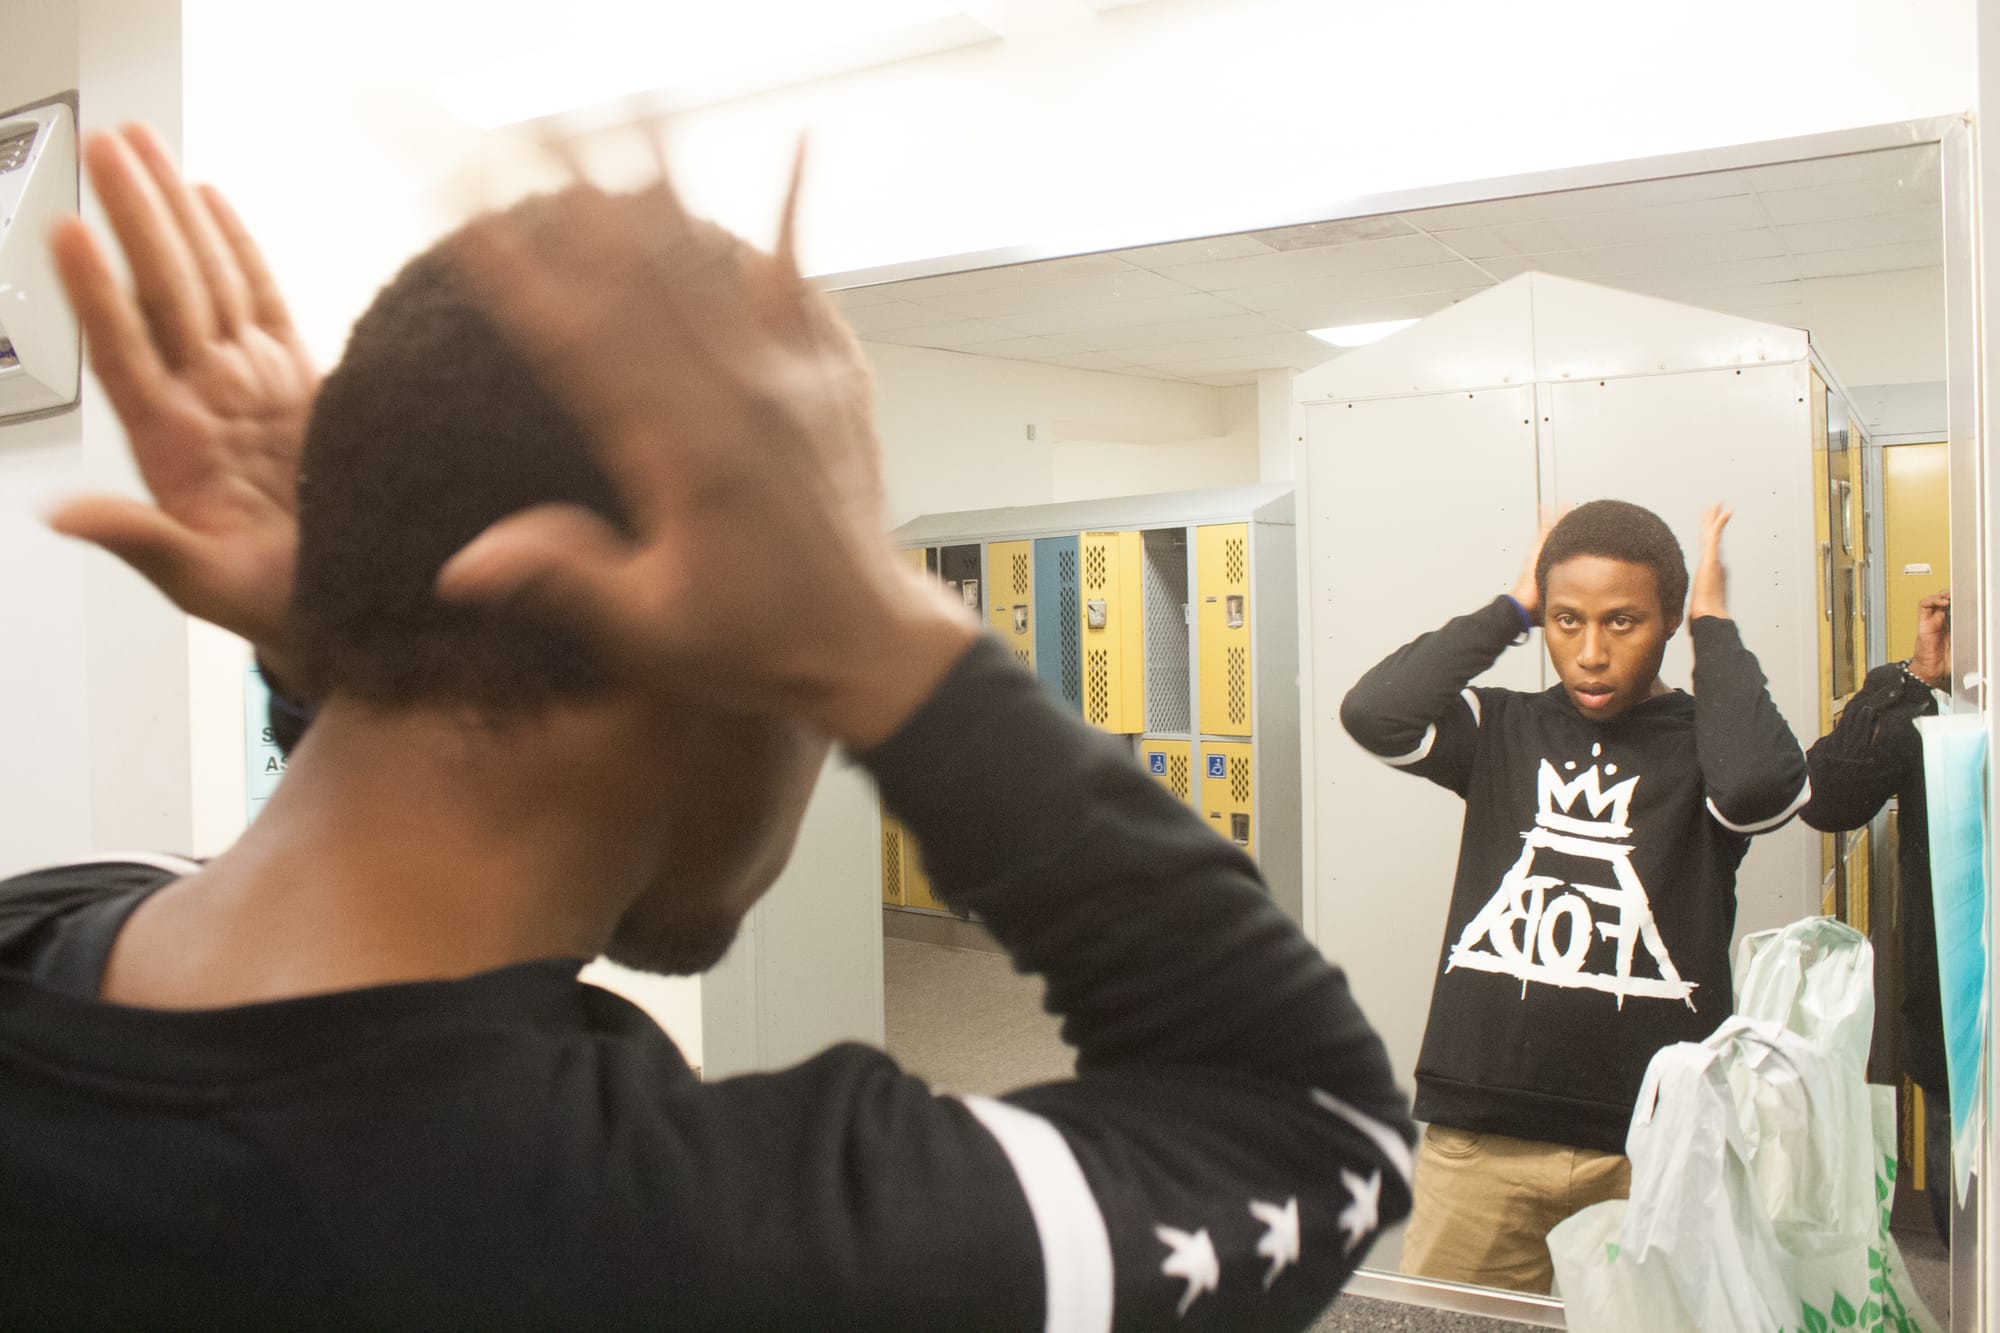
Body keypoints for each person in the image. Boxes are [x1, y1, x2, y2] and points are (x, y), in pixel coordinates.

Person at [0, 125, 1414, 1330]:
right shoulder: (707, 1249)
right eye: (813, 625)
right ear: (721, 650)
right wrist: (885, 640)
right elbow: (1315, 1122)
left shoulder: (47, 933)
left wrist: (364, 639)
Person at [1339, 498, 1810, 1294]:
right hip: (1484, 1135)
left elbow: (1765, 787)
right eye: (1565, 621)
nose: (1590, 652)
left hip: (1655, 1140)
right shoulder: (1502, 726)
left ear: (1667, 620)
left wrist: (1714, 624)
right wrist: (1510, 608)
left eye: (1623, 622)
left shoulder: (1708, 747)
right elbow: (1372, 711)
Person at [1801, 589, 1953, 1242]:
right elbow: (1827, 797)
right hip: (1961, 1024)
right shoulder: (1937, 696)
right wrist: (1916, 677)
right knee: (1974, 1254)